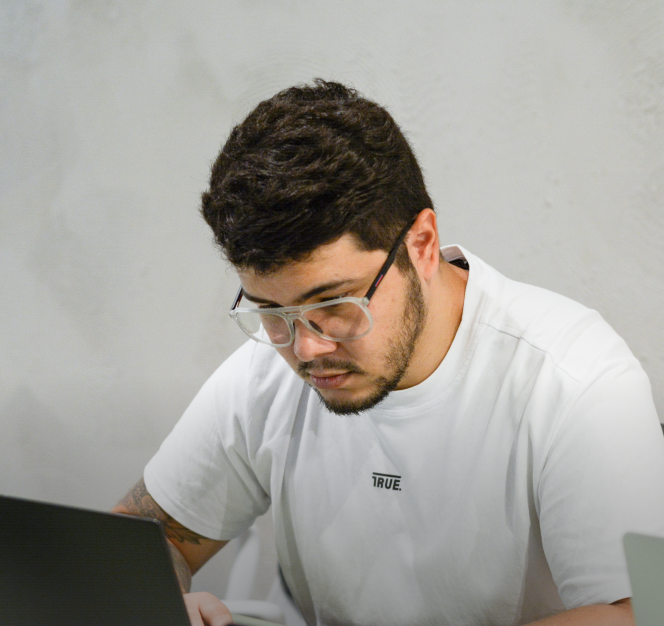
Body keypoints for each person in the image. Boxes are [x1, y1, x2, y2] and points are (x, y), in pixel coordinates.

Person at [113, 79, 664, 626]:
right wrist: (161, 602)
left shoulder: (574, 379)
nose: (307, 348)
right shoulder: (266, 371)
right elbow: (142, 540)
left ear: (422, 245)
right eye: (271, 312)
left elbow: (642, 612)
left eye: (335, 303)